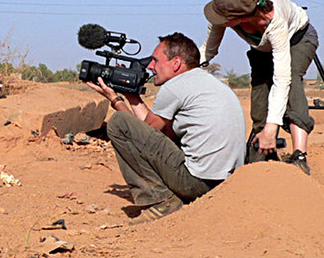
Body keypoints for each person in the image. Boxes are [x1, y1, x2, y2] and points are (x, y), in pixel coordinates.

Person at [86, 33, 245, 224]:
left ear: (176, 63)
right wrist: (132, 96)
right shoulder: (208, 83)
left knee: (119, 122)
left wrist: (115, 99)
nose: (150, 66)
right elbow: (157, 133)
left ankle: (160, 201)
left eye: (155, 60)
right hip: (226, 183)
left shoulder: (176, 86)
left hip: (196, 183)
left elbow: (139, 135)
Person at [201, 0, 319, 175]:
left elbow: (282, 79)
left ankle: (299, 155)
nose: (217, 19)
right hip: (263, 49)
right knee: (259, 93)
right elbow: (208, 50)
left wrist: (273, 127)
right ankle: (263, 153)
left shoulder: (275, 21)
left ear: (242, 16)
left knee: (291, 81)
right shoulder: (226, 13)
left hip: (298, 39)